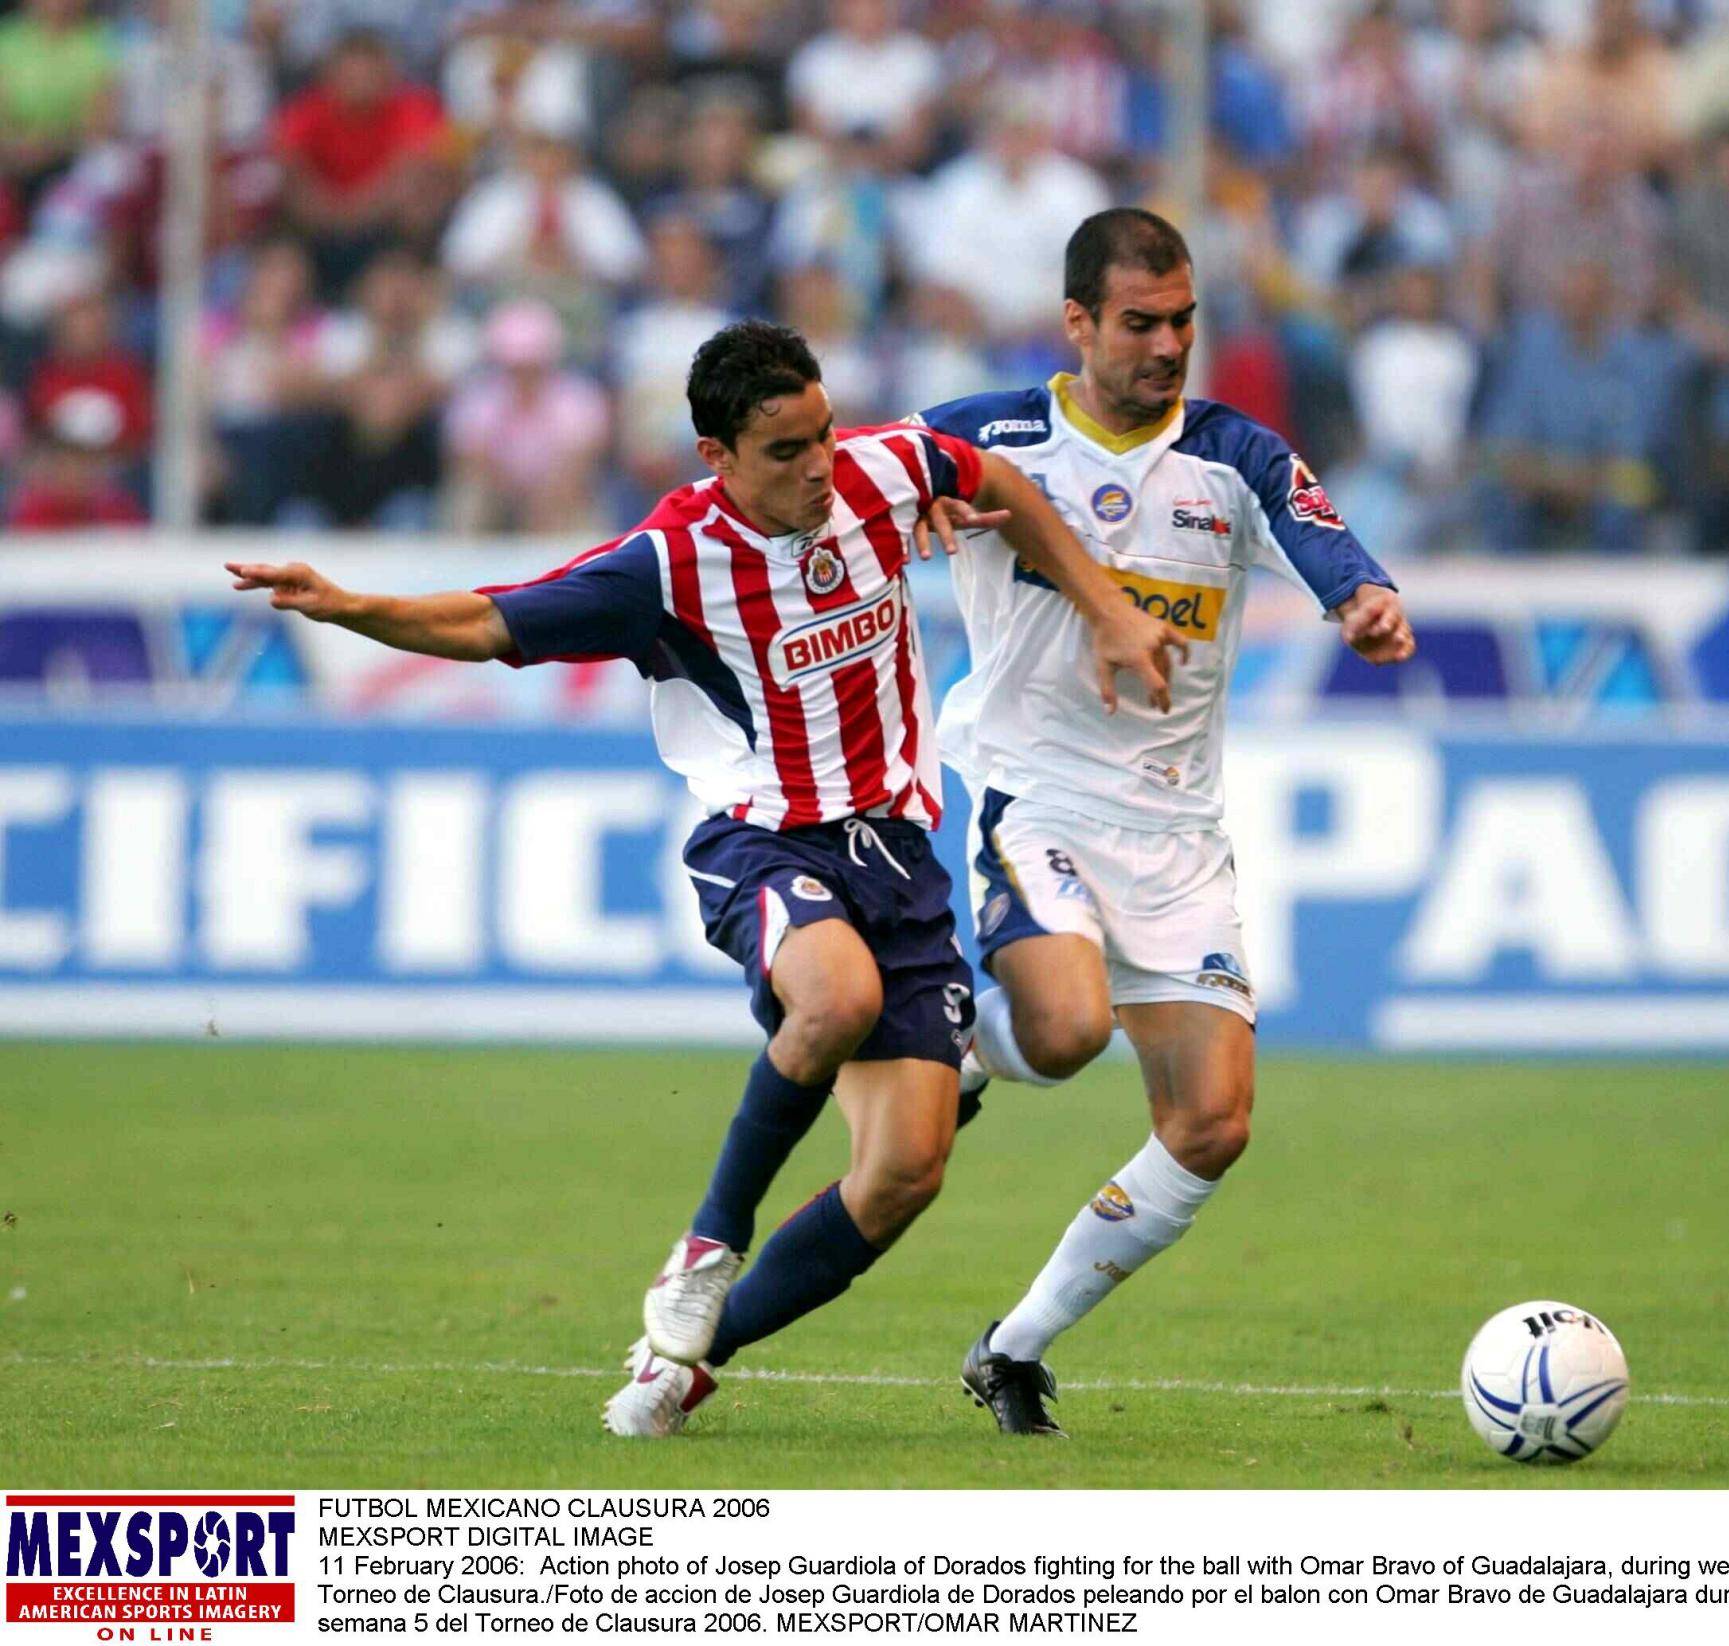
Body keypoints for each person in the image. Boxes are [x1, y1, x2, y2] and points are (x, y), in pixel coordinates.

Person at [223, 319, 1182, 1437]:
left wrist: (1106, 606)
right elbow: (490, 619)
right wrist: (350, 607)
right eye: (784, 450)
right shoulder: (669, 561)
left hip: (901, 857)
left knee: (904, 1171)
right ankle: (709, 1240)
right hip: (765, 839)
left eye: (822, 433)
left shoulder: (882, 470)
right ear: (715, 455)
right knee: (836, 997)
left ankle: (682, 1360)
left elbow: (992, 473)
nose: (818, 464)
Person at [907, 209, 1414, 1436]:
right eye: (1138, 322)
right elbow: (839, 487)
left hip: (1179, 838)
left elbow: (1330, 545)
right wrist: (905, 506)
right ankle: (976, 1047)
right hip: (1043, 802)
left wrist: (1366, 603)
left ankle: (1012, 1346)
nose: (1166, 344)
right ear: (1076, 322)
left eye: (1183, 320)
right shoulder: (982, 437)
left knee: (1211, 1121)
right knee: (1072, 1028)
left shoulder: (1235, 454)